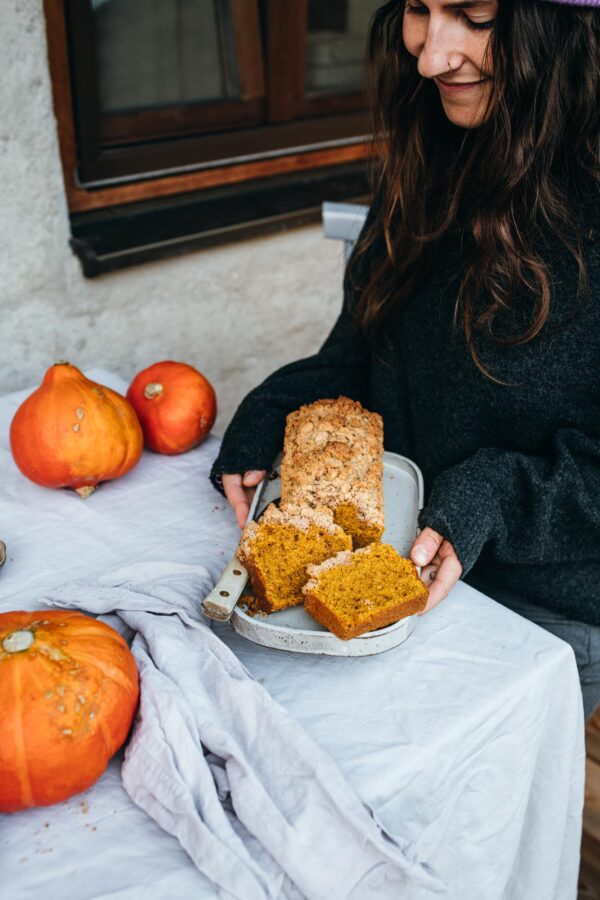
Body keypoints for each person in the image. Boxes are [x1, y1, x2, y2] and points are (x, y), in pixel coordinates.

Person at [210, 0, 600, 719]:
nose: (429, 56)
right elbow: (363, 349)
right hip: (389, 554)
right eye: (419, 8)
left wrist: (495, 496)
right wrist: (279, 405)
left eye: (476, 16)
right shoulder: (431, 149)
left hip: (542, 603)